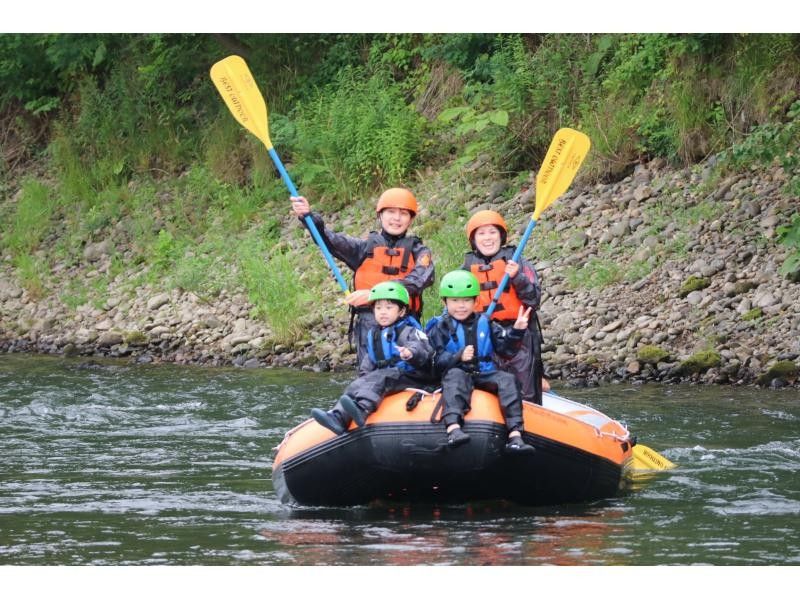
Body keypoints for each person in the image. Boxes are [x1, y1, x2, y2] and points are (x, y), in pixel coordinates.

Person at [291, 188, 434, 366]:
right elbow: (329, 240)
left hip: (405, 325)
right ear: (380, 215)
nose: (396, 218)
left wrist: (375, 294)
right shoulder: (363, 249)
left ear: (411, 219)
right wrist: (309, 217)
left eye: (403, 214)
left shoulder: (419, 251)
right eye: (390, 212)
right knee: (369, 372)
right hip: (369, 324)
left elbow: (421, 278)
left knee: (409, 366)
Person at [427, 270, 535, 454]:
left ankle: (515, 434)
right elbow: (432, 360)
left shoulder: (487, 323)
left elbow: (505, 350)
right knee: (455, 376)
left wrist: (516, 331)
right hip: (456, 372)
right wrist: (457, 357)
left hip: (484, 373)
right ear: (444, 302)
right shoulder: (439, 327)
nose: (461, 306)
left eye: (466, 300)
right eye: (455, 301)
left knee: (508, 379)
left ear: (475, 302)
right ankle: (453, 428)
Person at [310, 281, 434, 435]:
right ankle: (339, 417)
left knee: (381, 376)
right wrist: (363, 380)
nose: (383, 312)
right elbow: (369, 363)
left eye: (389, 308)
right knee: (359, 383)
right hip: (389, 376)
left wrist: (410, 353)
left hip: (413, 376)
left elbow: (423, 349)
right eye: (378, 308)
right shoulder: (374, 335)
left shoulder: (409, 331)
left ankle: (362, 409)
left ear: (401, 311)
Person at [462, 209, 549, 405]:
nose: (487, 238)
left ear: (501, 236)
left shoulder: (517, 262)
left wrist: (517, 277)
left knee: (525, 391)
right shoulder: (466, 270)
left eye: (492, 232)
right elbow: (455, 308)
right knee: (491, 390)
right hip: (486, 336)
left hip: (520, 336)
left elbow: (534, 299)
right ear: (473, 239)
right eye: (481, 233)